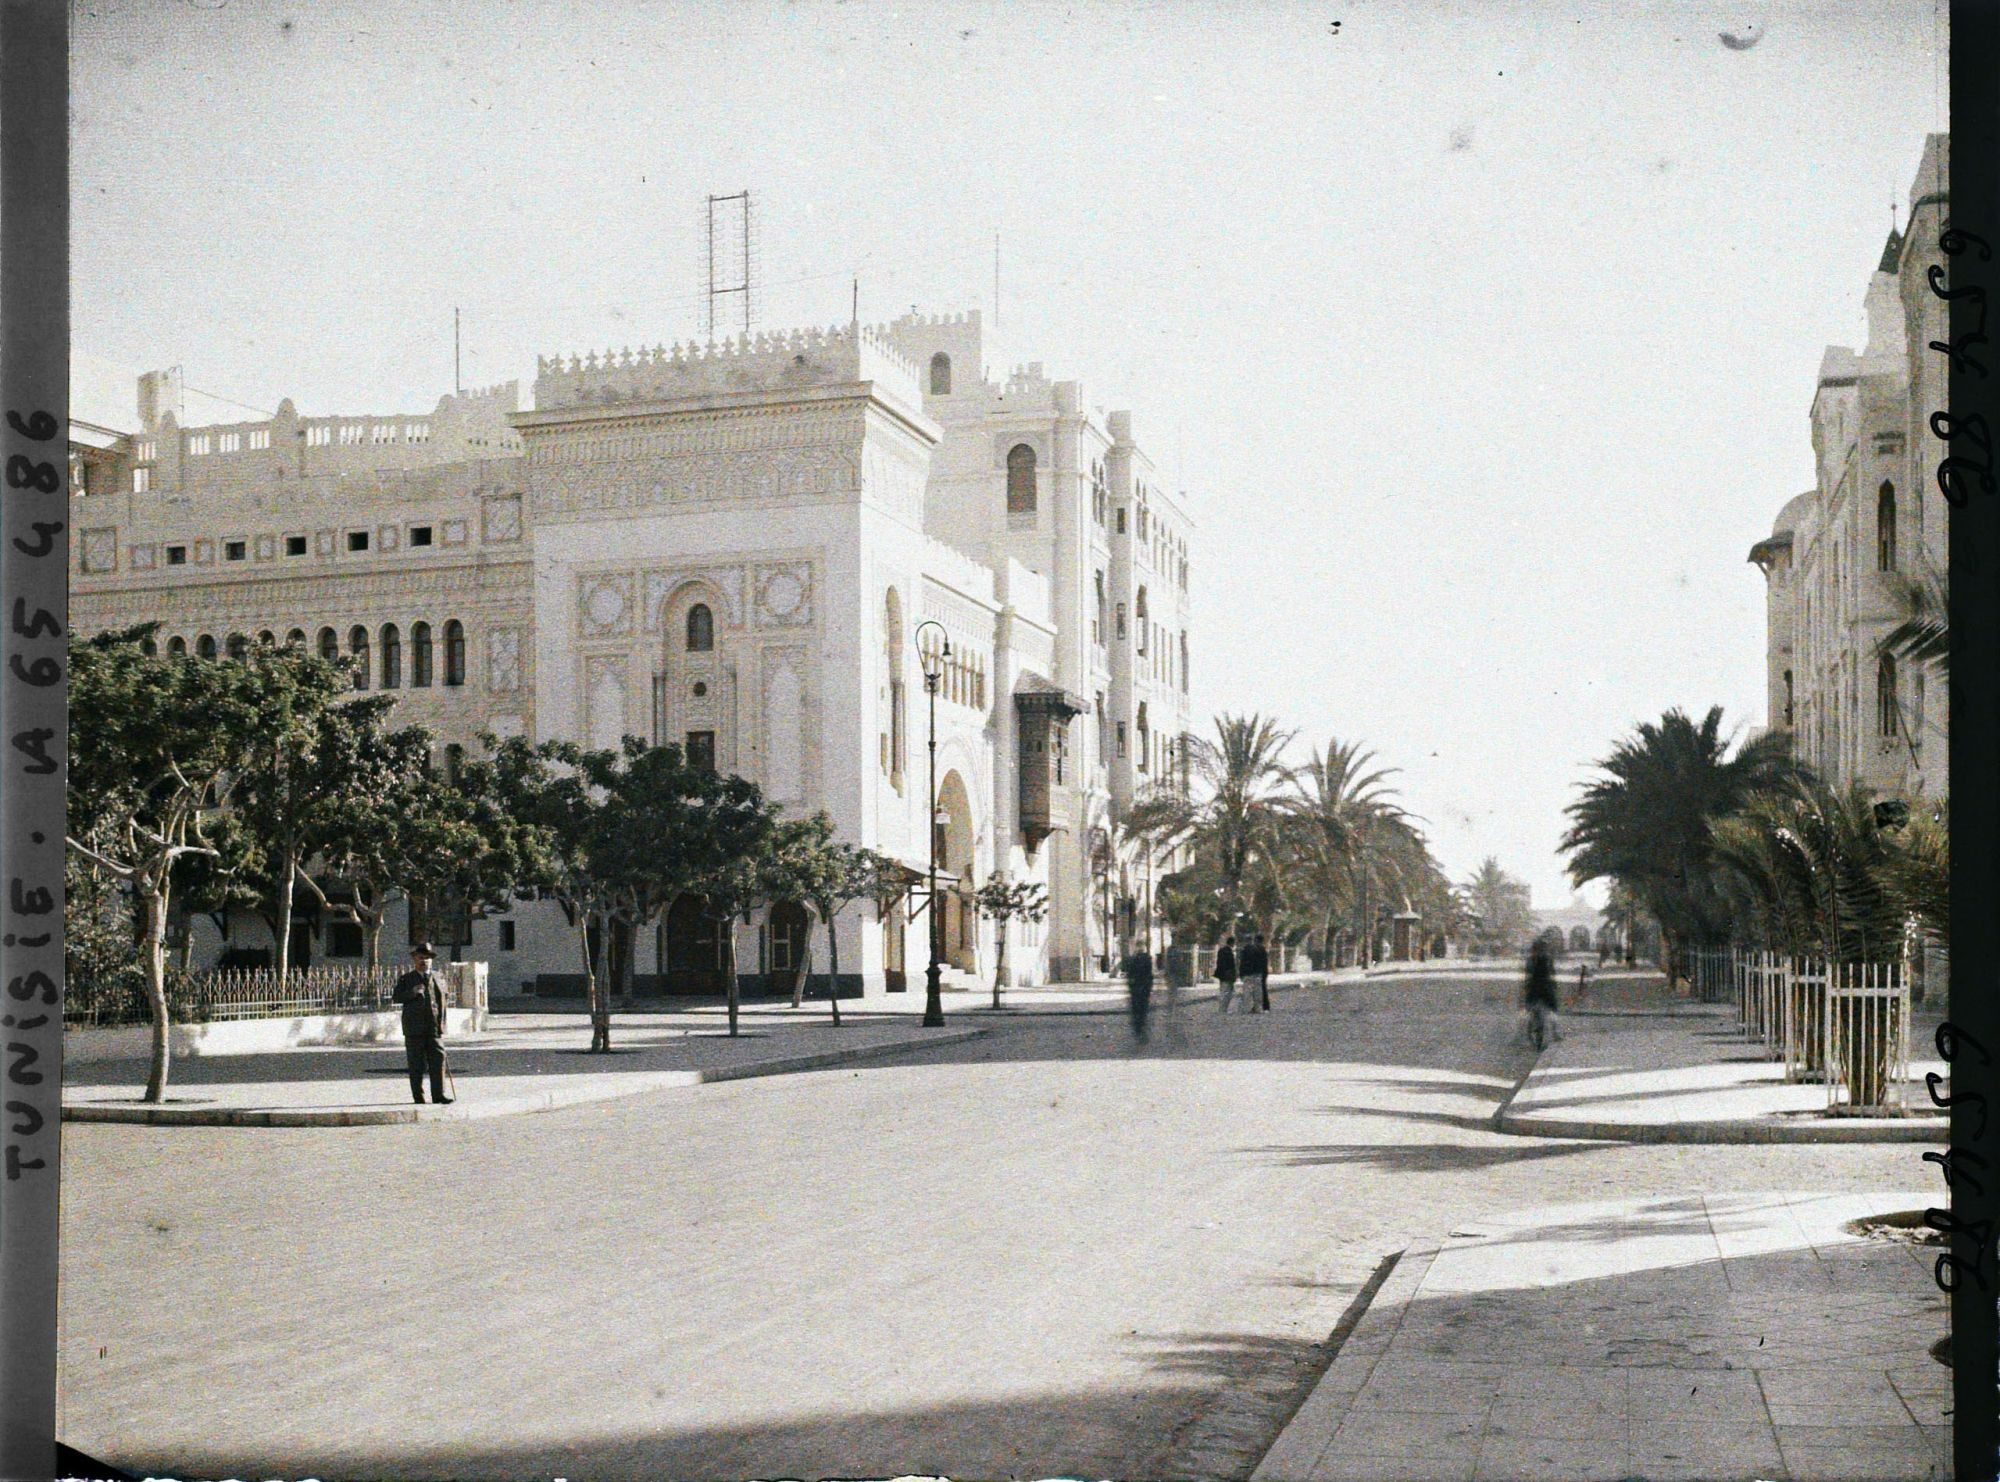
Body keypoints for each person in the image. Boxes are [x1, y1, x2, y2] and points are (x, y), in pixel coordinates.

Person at [392, 941, 453, 1105]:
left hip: (434, 1028)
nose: (423, 961)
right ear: (415, 959)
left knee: (438, 1061)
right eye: (420, 957)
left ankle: (439, 1095)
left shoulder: (439, 977)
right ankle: (418, 1097)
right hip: (414, 1029)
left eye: (427, 958)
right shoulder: (407, 979)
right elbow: (396, 997)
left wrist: (442, 1025)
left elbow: (444, 1002)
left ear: (431, 960)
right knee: (416, 1064)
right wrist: (412, 993)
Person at [1523, 937, 1559, 1050]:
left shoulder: (1530, 959)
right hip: (1546, 986)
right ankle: (1555, 1032)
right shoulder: (1548, 958)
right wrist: (1554, 985)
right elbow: (1552, 973)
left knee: (1530, 1009)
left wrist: (1526, 986)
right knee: (1553, 1009)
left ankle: (1528, 1035)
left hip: (1533, 987)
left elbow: (1527, 974)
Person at [1123, 945, 1154, 1043]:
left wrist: (1131, 988)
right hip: (1144, 990)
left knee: (1136, 1012)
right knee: (1143, 1012)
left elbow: (1129, 976)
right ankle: (1142, 1031)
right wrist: (1149, 988)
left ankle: (1138, 1031)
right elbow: (1149, 975)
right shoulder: (1147, 959)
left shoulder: (1132, 960)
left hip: (1136, 990)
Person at [1215, 937, 1239, 1015]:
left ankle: (1223, 1009)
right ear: (1232, 943)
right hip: (1227, 975)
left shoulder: (1221, 950)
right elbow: (1230, 965)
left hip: (1222, 974)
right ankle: (1223, 1009)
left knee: (1225, 991)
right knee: (1226, 992)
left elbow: (1219, 963)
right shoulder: (1229, 952)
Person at [1252, 933, 1272, 1011]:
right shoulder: (1263, 949)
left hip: (1258, 972)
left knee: (1259, 990)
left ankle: (1260, 1006)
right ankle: (1265, 1006)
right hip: (1263, 972)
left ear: (1257, 940)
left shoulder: (1257, 949)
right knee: (1263, 989)